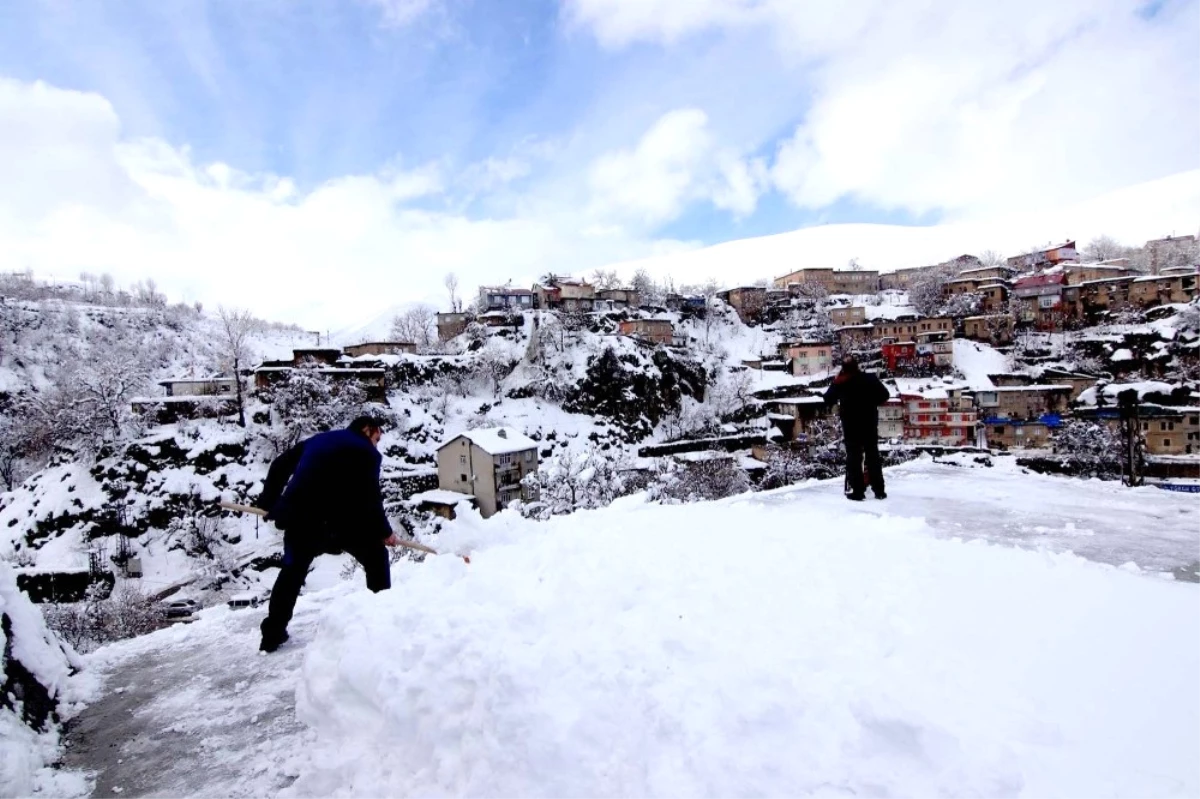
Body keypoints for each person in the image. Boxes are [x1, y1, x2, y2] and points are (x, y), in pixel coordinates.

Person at [255, 415, 400, 652]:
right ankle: (380, 624)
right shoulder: (367, 453)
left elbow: (280, 465)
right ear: (367, 430)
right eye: (377, 437)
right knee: (376, 559)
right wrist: (384, 532)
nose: (377, 443)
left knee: (291, 573)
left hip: (299, 519)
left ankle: (272, 635)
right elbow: (371, 496)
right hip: (342, 523)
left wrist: (270, 501)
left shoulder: (318, 440)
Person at [823, 356, 891, 502]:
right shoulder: (869, 379)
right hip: (869, 422)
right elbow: (885, 395)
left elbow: (828, 399)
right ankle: (879, 490)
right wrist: (871, 402)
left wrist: (837, 383)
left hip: (851, 424)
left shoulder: (841, 382)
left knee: (854, 457)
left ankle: (858, 491)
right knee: (873, 455)